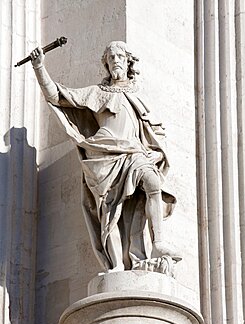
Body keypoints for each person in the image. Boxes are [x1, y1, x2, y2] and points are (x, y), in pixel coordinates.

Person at [31, 41, 177, 273]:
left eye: (120, 56)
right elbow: (58, 96)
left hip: (134, 153)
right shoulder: (97, 93)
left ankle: (158, 243)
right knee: (110, 214)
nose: (115, 61)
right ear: (106, 64)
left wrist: (159, 150)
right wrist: (39, 68)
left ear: (128, 61)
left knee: (153, 181)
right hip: (103, 157)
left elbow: (154, 130)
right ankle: (116, 265)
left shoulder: (137, 96)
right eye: (110, 58)